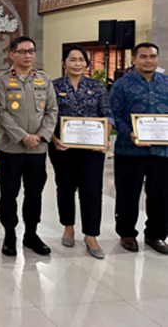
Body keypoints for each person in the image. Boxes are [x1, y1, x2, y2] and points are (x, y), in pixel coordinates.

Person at [0, 36, 58, 256]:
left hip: (37, 149)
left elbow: (52, 110)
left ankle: (31, 234)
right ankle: (9, 234)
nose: (28, 55)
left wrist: (41, 136)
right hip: (11, 149)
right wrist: (23, 137)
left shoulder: (44, 79)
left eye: (31, 51)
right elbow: (0, 112)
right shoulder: (2, 81)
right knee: (8, 192)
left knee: (34, 193)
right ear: (12, 54)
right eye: (22, 51)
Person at [49, 45, 112, 259]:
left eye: (81, 60)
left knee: (92, 190)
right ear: (64, 63)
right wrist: (54, 139)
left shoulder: (96, 86)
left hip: (92, 148)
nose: (77, 64)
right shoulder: (54, 86)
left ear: (87, 63)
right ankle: (68, 227)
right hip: (62, 146)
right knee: (65, 188)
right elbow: (47, 116)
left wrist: (105, 140)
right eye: (72, 59)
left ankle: (91, 235)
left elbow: (107, 114)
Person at [109, 42, 168, 254]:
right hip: (129, 150)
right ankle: (126, 233)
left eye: (152, 56)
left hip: (162, 151)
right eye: (143, 56)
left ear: (158, 58)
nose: (148, 60)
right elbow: (113, 114)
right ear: (134, 59)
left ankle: (156, 235)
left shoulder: (167, 83)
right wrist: (130, 133)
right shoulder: (121, 85)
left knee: (161, 195)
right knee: (127, 193)